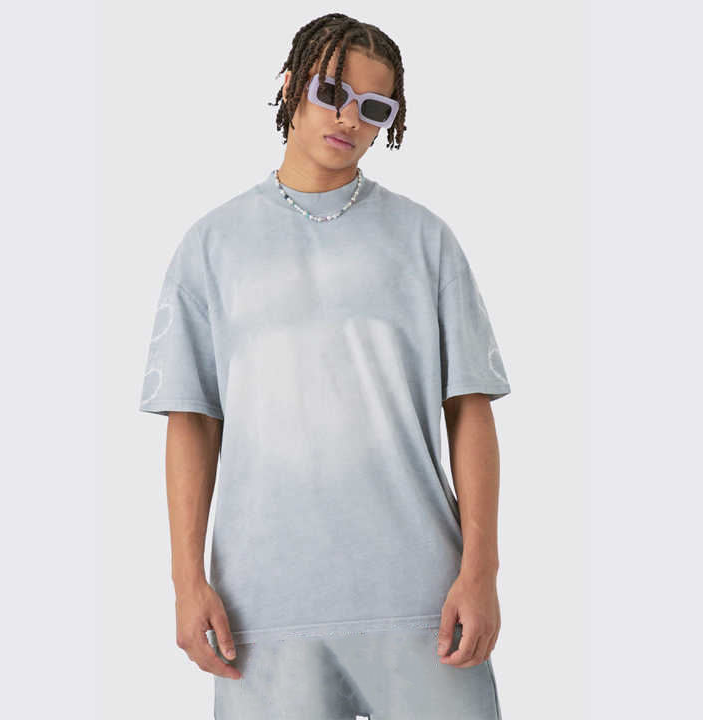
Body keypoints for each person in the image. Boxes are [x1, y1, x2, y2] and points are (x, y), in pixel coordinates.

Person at [139, 12, 511, 720]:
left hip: (423, 601)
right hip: (262, 607)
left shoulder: (424, 240)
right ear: (290, 86)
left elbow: (469, 409)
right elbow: (192, 420)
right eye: (332, 92)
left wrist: (481, 572)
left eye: (374, 107)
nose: (349, 118)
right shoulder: (212, 246)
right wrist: (187, 582)